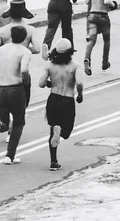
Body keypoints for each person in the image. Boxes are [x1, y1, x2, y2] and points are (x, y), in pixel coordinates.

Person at [38, 38, 83, 171]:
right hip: (67, 100)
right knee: (67, 131)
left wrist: (49, 83)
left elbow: (41, 83)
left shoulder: (50, 65)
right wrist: (80, 95)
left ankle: (53, 162)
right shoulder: (75, 66)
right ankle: (61, 132)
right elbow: (79, 83)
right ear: (70, 52)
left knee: (52, 130)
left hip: (53, 99)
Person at [0, 26, 32, 165]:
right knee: (18, 122)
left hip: (1, 88)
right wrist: (26, 83)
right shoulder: (25, 51)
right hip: (16, 88)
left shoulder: (1, 49)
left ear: (11, 36)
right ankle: (9, 156)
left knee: (4, 124)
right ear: (25, 37)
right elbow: (24, 70)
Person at [84, 0, 117, 76]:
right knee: (106, 40)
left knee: (91, 41)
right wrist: (113, 5)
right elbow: (106, 1)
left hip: (92, 15)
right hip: (103, 16)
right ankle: (104, 62)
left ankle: (87, 59)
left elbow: (87, 1)